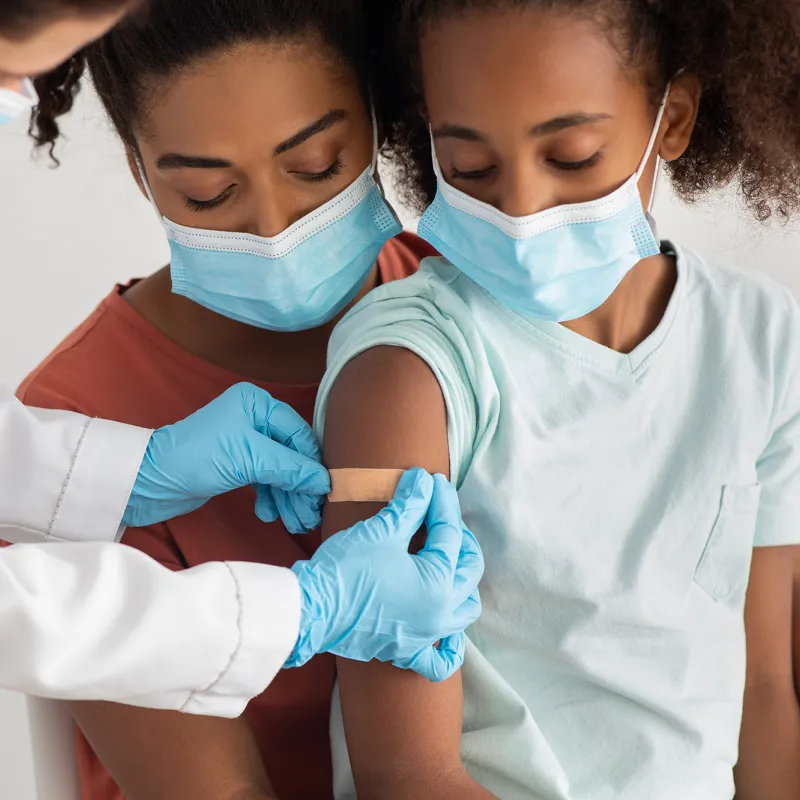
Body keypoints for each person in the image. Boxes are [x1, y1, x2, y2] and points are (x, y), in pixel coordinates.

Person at [312, 1, 800, 799]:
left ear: (670, 120)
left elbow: (767, 691)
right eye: (469, 167)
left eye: (571, 156)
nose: (523, 211)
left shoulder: (763, 338)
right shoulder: (409, 369)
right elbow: (405, 773)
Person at [18, 0, 482, 797]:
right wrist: (308, 611)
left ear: (379, 119)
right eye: (207, 194)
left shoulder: (474, 299)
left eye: (317, 165)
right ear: (139, 169)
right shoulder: (74, 412)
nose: (274, 230)